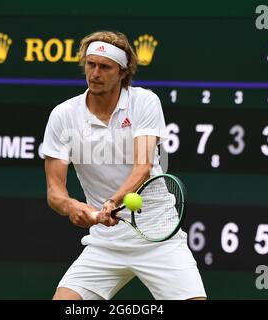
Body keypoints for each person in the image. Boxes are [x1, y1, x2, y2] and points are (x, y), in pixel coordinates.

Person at [42, 30, 206, 300]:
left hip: (158, 235)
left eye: (105, 67)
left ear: (122, 72)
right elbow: (54, 191)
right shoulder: (63, 115)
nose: (95, 73)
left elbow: (143, 166)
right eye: (90, 64)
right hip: (105, 242)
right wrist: (73, 206)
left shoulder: (144, 102)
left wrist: (112, 201)